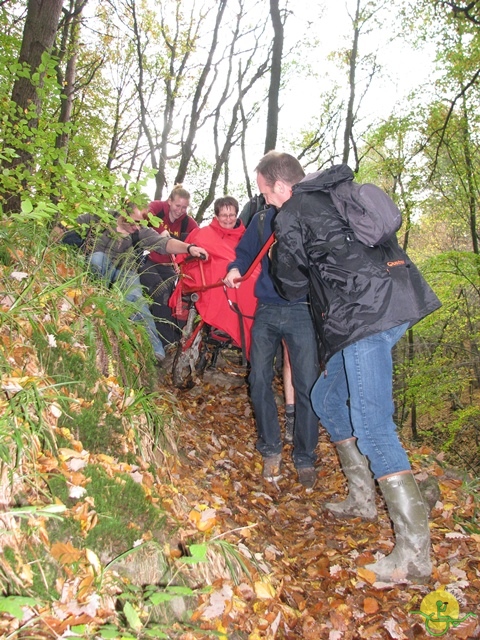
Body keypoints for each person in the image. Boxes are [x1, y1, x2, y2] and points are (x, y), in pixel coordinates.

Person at [268, 152, 441, 584]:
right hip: (394, 299)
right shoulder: (332, 193)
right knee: (327, 397)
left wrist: (277, 253)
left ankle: (415, 557)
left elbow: (289, 285)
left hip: (364, 315)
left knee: (373, 424)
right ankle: (363, 499)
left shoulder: (291, 212)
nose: (268, 204)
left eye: (267, 195)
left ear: (281, 187)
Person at [224, 176, 320, 490]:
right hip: (266, 308)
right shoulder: (263, 218)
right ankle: (271, 447)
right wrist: (234, 268)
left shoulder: (310, 215)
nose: (264, 197)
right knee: (259, 379)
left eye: (266, 189)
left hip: (302, 309)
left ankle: (305, 456)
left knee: (307, 385)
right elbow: (245, 251)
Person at [72, 204, 208, 363]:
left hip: (125, 270)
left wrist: (189, 248)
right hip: (101, 265)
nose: (136, 227)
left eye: (140, 224)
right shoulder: (104, 218)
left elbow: (165, 243)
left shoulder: (141, 232)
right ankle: (95, 304)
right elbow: (73, 223)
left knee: (136, 299)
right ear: (123, 213)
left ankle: (155, 351)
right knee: (97, 260)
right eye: (133, 221)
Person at [169, 196, 259, 357]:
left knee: (253, 279)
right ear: (216, 216)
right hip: (209, 275)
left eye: (232, 215)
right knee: (229, 276)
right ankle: (226, 326)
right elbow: (185, 256)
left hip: (239, 274)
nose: (228, 219)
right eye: (224, 215)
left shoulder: (245, 236)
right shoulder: (203, 233)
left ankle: (251, 336)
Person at [140, 185, 199, 345]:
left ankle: (174, 338)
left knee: (175, 297)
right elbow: (144, 212)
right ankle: (165, 342)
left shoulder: (187, 223)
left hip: (168, 267)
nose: (180, 210)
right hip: (148, 261)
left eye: (184, 207)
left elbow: (198, 238)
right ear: (169, 202)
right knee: (161, 291)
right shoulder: (159, 208)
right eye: (177, 205)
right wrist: (159, 229)